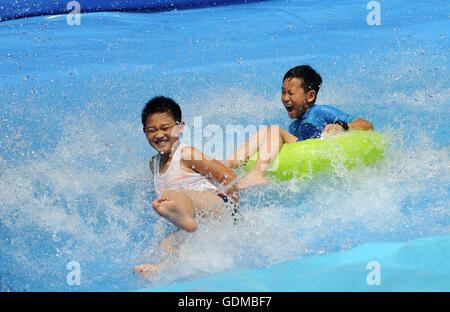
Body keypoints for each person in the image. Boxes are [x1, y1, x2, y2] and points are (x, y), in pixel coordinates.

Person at [134, 96, 238, 279]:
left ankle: (183, 216)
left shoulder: (186, 154)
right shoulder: (154, 165)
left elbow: (228, 176)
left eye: (165, 128)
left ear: (180, 128)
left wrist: (235, 212)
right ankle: (161, 269)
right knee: (166, 244)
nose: (159, 135)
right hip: (200, 222)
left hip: (214, 203)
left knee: (173, 196)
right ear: (144, 132)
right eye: (151, 130)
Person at [224, 65, 374, 189]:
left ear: (310, 96)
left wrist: (341, 126)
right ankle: (229, 163)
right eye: (283, 92)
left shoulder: (321, 112)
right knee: (266, 133)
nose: (285, 98)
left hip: (322, 151)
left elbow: (366, 125)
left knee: (274, 131)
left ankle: (257, 173)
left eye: (290, 93)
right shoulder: (294, 126)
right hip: (306, 157)